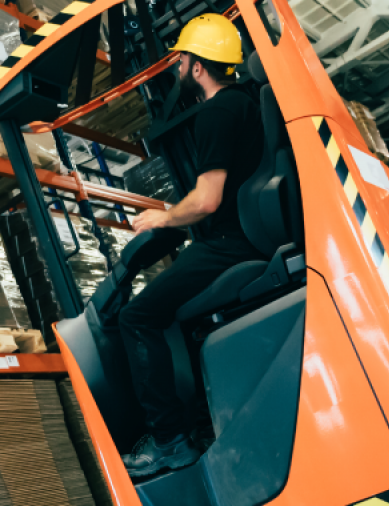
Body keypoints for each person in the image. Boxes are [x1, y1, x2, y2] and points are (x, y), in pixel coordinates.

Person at [117, 14, 266, 477]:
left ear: (197, 66)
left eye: (181, 59)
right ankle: (199, 418)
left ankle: (169, 441)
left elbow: (206, 200)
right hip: (246, 234)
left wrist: (165, 217)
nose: (177, 67)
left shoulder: (218, 111)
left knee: (137, 316)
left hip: (229, 243)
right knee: (172, 311)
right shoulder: (249, 101)